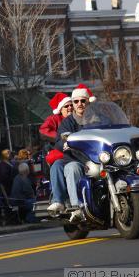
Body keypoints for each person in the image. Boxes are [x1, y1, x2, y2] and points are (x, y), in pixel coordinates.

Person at [48, 84, 96, 223]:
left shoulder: (98, 118)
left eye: (83, 101)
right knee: (59, 165)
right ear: (73, 103)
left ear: (88, 102)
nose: (79, 104)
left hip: (95, 157)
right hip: (75, 157)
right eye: (76, 101)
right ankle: (72, 206)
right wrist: (64, 144)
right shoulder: (68, 122)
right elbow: (58, 140)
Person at [39, 92, 73, 166]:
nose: (70, 107)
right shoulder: (54, 118)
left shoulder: (76, 118)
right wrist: (61, 137)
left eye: (71, 105)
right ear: (60, 109)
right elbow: (43, 130)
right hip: (61, 150)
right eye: (66, 106)